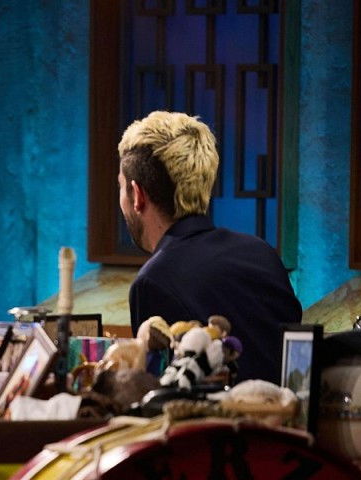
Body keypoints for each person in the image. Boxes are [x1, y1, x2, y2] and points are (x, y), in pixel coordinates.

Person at [119, 110, 301, 383]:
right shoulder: (261, 253)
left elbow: (161, 392)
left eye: (120, 187)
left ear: (137, 195)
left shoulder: (153, 281)